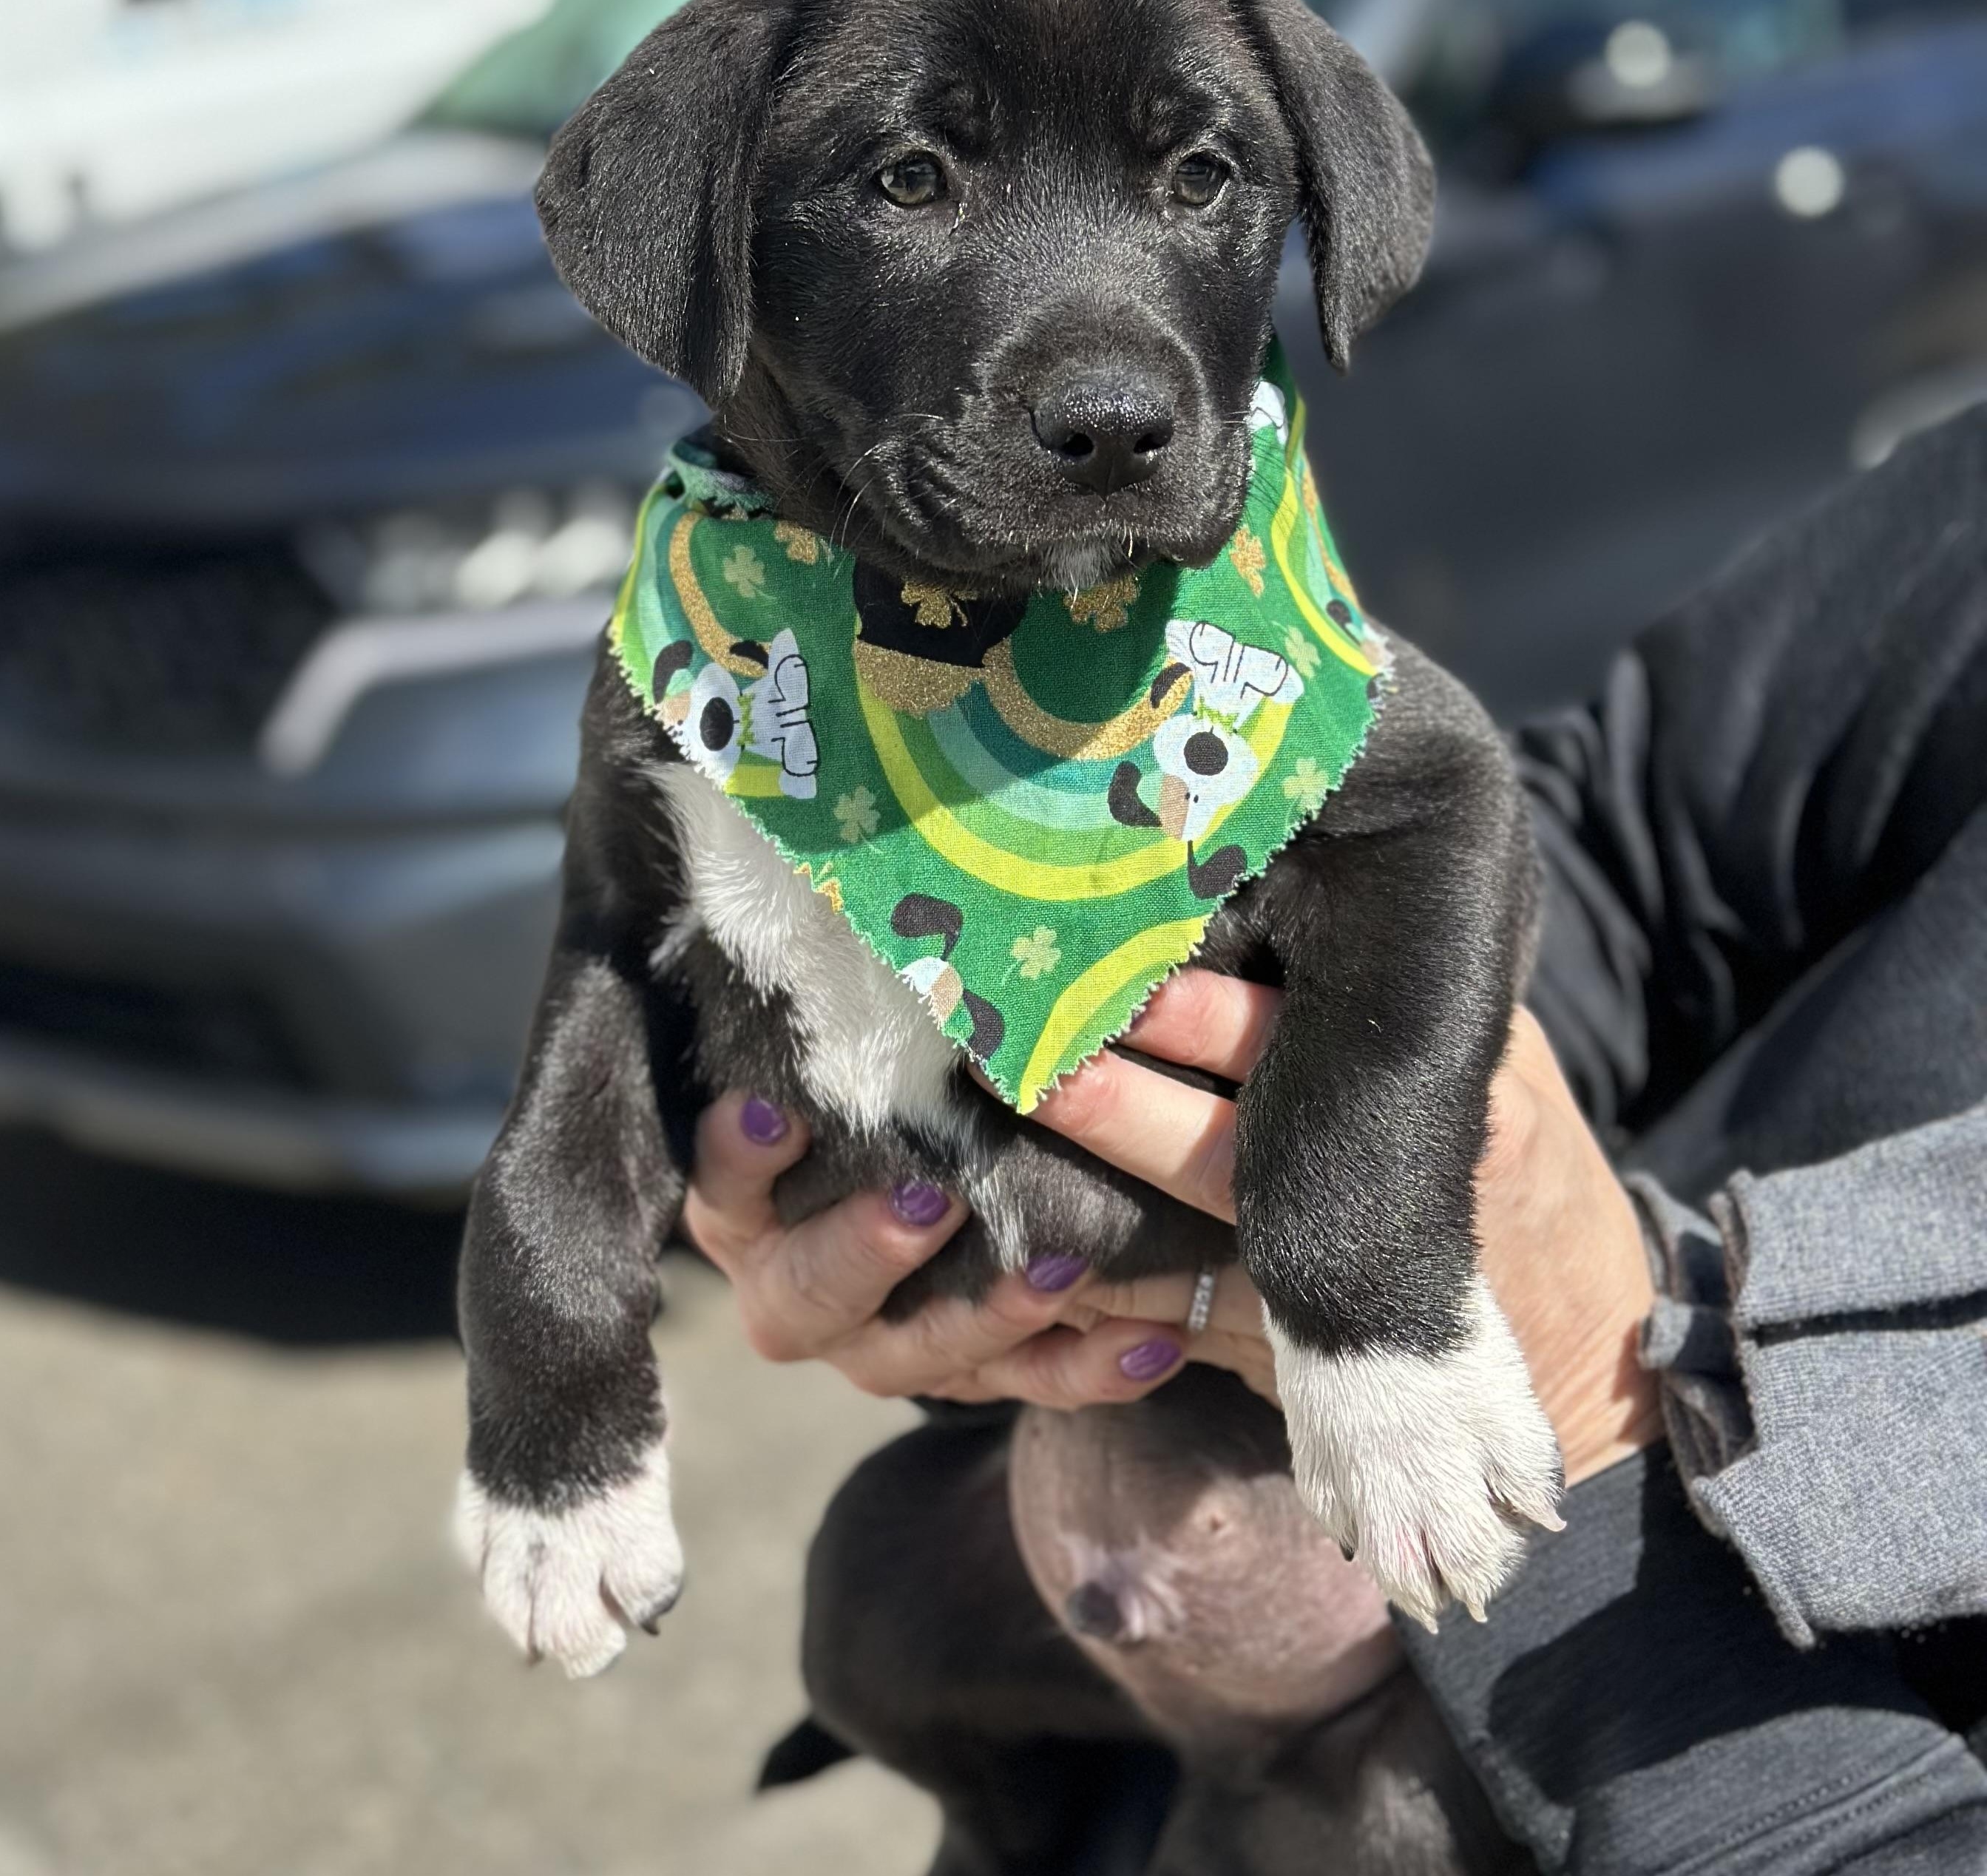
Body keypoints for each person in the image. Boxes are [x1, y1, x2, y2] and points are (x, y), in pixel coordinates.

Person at [683, 404, 1987, 1871]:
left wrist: (1583, 1392)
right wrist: (1073, 1139)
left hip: (1629, 1720)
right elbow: (1627, 854)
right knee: (882, 1589)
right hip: (1225, 1475)